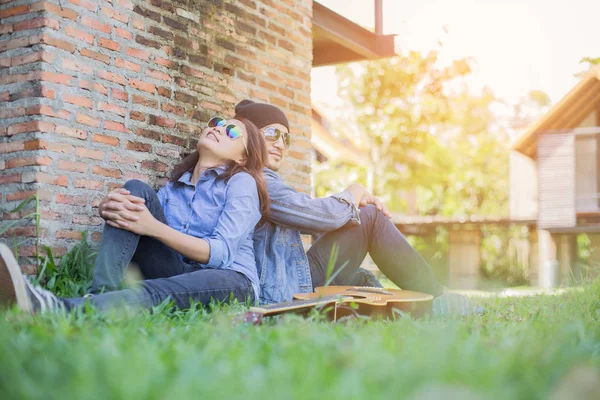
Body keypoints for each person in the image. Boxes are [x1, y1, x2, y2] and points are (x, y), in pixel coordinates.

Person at [0, 115, 270, 313]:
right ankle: (98, 296)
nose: (219, 128)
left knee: (156, 292)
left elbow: (221, 253)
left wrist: (152, 227)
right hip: (178, 268)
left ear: (243, 158)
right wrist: (108, 208)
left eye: (232, 131)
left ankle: (58, 310)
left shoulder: (241, 182)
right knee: (134, 191)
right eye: (217, 122)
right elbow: (138, 219)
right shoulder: (173, 189)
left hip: (230, 279)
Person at [234, 100, 471, 315]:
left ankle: (403, 314)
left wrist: (348, 213)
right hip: (281, 288)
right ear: (251, 137)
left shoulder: (259, 180)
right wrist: (355, 192)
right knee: (369, 218)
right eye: (272, 133)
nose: (280, 145)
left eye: (286, 138)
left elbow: (312, 219)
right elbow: (321, 216)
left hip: (285, 277)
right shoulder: (258, 182)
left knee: (361, 278)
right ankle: (439, 299)